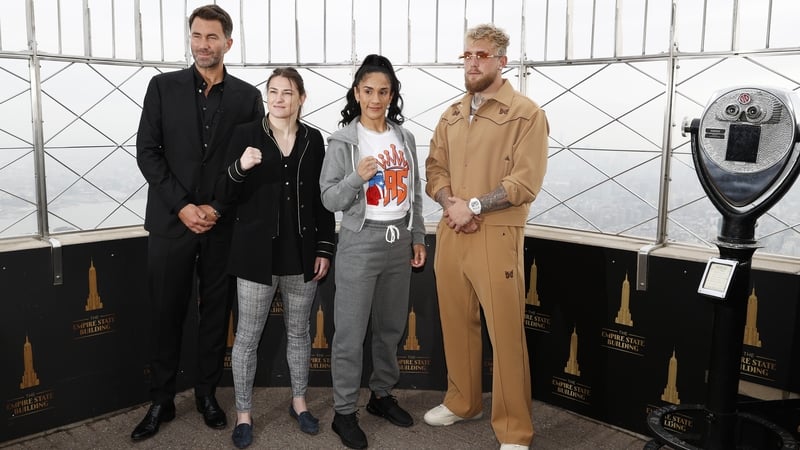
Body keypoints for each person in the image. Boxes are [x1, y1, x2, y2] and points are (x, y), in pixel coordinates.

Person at [132, 4, 264, 442]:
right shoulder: (162, 87)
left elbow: (250, 165)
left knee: (214, 317)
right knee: (166, 314)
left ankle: (207, 394)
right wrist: (184, 207)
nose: (203, 45)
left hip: (222, 227)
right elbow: (148, 152)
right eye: (196, 36)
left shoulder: (248, 97)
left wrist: (218, 210)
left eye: (212, 37)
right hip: (172, 224)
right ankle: (161, 400)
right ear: (189, 39)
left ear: (229, 42)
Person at [423, 24, 549, 450]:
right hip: (451, 229)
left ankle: (515, 430)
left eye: (481, 55)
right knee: (456, 324)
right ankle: (463, 402)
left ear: (501, 61)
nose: (472, 62)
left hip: (495, 234)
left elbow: (525, 182)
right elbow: (434, 169)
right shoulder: (452, 114)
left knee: (506, 334)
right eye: (467, 55)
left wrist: (472, 207)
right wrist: (450, 204)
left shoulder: (526, 113)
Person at [216, 68, 336, 449]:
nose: (279, 98)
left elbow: (322, 201)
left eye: (287, 92)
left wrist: (323, 248)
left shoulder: (314, 140)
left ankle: (299, 402)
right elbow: (222, 190)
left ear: (301, 97)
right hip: (255, 258)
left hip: (300, 257)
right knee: (247, 338)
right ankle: (244, 413)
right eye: (273, 92)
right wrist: (240, 167)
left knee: (299, 334)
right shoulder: (245, 135)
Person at [319, 54, 427, 450]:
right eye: (368, 91)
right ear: (357, 93)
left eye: (383, 91)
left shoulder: (405, 138)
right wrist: (355, 177)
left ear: (392, 94)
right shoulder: (343, 140)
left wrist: (418, 236)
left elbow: (413, 192)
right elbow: (329, 198)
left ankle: (381, 396)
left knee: (390, 328)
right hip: (360, 240)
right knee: (349, 332)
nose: (376, 98)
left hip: (399, 240)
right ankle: (344, 412)